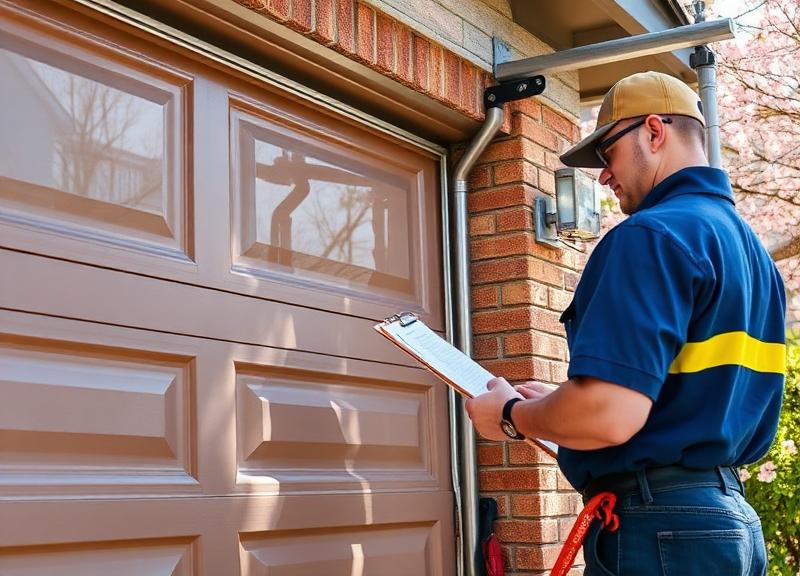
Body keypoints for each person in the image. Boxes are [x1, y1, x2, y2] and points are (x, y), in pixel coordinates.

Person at [465, 71, 786, 575]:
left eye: (607, 152)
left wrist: (510, 415)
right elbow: (667, 399)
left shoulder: (651, 235)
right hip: (729, 523)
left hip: (659, 527)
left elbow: (609, 416)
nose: (602, 176)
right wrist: (563, 403)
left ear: (654, 131)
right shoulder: (754, 256)